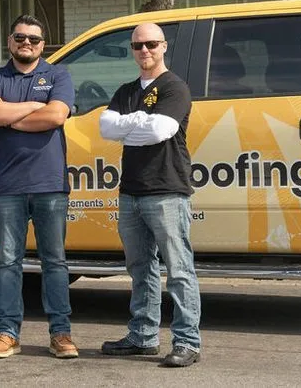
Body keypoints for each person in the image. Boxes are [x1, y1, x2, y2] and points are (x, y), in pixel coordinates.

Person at [98, 22, 202, 368]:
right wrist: (139, 122)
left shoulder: (175, 87)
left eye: (151, 44)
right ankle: (143, 337)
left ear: (164, 46)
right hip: (131, 191)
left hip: (167, 190)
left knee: (179, 269)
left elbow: (160, 130)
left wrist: (128, 126)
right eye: (137, 45)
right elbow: (105, 128)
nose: (144, 50)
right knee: (140, 268)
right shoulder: (126, 90)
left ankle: (187, 342)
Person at [0, 15, 78, 360]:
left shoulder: (58, 74)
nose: (27, 44)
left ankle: (60, 333)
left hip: (50, 183)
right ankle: (7, 333)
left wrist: (11, 115)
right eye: (20, 37)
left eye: (34, 39)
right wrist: (35, 106)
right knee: (8, 261)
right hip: (7, 185)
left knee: (55, 261)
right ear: (10, 41)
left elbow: (56, 116)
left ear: (42, 44)